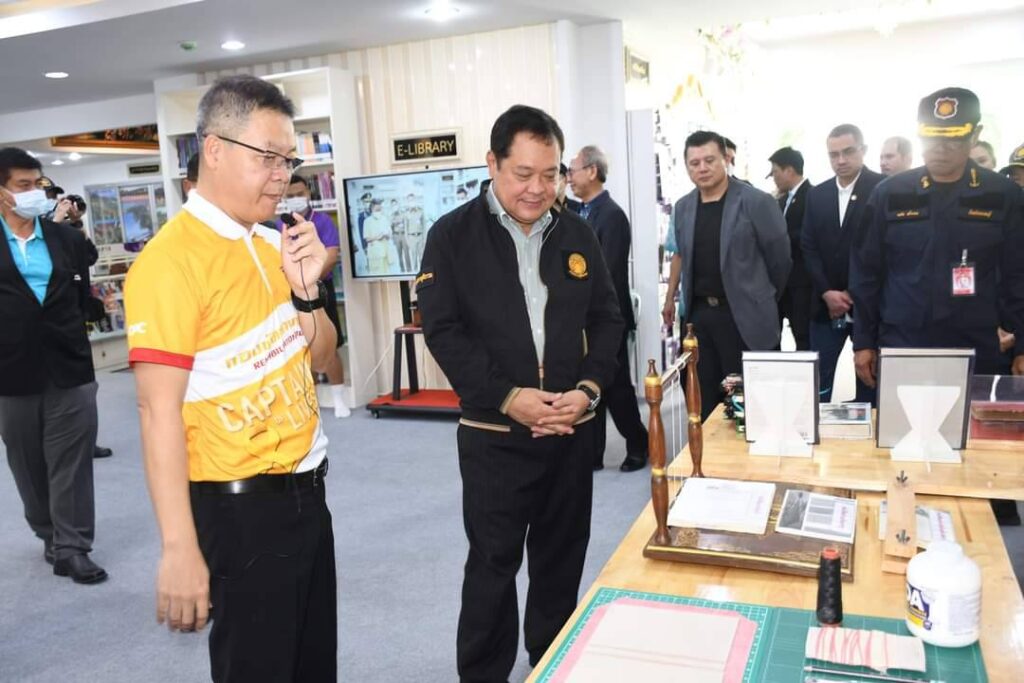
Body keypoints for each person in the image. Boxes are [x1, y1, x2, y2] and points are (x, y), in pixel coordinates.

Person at [124, 75, 339, 681]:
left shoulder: (272, 245)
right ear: (214, 150)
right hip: (239, 509)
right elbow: (156, 412)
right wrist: (178, 547)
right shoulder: (170, 262)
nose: (281, 175)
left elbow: (326, 361)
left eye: (288, 160)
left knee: (313, 666)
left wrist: (307, 294)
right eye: (267, 157)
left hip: (309, 493)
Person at [417, 104, 623, 682]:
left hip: (570, 431)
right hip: (494, 436)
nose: (537, 188)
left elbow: (608, 319)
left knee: (562, 560)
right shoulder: (451, 236)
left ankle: (551, 665)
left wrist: (587, 390)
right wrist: (509, 397)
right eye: (523, 174)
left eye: (550, 174)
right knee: (493, 565)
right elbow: (444, 332)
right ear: (493, 164)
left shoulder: (577, 232)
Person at [849, 87, 1024, 525]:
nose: (940, 149)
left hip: (976, 347)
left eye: (953, 139)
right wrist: (863, 341)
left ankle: (985, 539)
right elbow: (867, 273)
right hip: (904, 344)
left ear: (975, 135)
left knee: (978, 456)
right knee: (902, 448)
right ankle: (902, 530)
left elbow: (1018, 276)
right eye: (931, 138)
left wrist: (1022, 343)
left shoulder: (1003, 196)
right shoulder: (891, 193)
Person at [0, 147, 107, 584]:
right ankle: (48, 532)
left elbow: (81, 297)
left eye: (37, 184)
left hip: (70, 367)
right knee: (28, 465)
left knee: (72, 461)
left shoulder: (68, 240)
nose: (33, 193)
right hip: (11, 373)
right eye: (22, 185)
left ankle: (73, 547)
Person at [665, 130, 791, 421]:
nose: (702, 168)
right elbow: (681, 257)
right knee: (703, 402)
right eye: (694, 163)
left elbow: (780, 261)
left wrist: (761, 297)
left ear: (726, 159)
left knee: (752, 406)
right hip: (699, 319)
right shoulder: (683, 207)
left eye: (709, 160)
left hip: (744, 317)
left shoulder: (756, 202)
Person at [567, 144, 649, 472]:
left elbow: (609, 273)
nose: (568, 178)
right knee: (589, 384)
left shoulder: (612, 216)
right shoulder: (580, 212)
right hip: (582, 319)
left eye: (572, 170)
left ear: (592, 171)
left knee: (616, 386)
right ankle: (594, 452)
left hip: (607, 317)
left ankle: (638, 444)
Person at [801, 123, 884, 403]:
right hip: (826, 307)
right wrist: (827, 292)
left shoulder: (883, 189)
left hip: (870, 308)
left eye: (848, 152)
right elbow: (808, 246)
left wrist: (854, 292)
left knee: (870, 381)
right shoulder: (817, 194)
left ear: (863, 150)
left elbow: (884, 251)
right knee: (818, 385)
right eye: (833, 154)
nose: (841, 160)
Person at [278, 174, 351, 418]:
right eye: (290, 196)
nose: (295, 199)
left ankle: (339, 399)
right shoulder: (280, 225)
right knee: (301, 347)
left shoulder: (321, 221)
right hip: (290, 293)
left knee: (329, 345)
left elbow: (331, 254)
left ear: (309, 193)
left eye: (299, 194)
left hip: (320, 288)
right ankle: (310, 400)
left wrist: (309, 279)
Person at [768, 146, 813, 351]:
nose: (774, 178)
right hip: (782, 285)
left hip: (802, 283)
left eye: (775, 172)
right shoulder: (781, 200)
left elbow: (808, 235)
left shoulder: (812, 196)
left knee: (803, 339)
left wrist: (778, 239)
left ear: (789, 170)